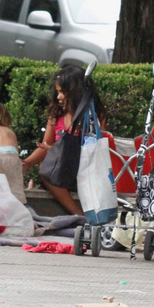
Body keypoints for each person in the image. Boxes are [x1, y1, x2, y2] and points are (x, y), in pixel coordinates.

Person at [21, 66, 98, 215]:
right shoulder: (56, 116)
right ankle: (79, 214)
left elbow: (96, 147)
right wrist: (27, 163)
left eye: (63, 92)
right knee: (45, 170)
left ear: (76, 91)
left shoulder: (93, 116)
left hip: (85, 168)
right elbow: (45, 147)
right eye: (57, 92)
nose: (58, 97)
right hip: (62, 170)